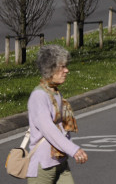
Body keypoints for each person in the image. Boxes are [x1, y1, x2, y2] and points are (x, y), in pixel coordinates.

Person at [27, 45, 88, 183]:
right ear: (50, 69)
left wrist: (68, 150)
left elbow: (62, 129)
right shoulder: (39, 96)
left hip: (60, 162)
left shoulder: (55, 93)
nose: (66, 70)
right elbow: (49, 130)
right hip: (43, 166)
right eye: (62, 67)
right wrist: (74, 150)